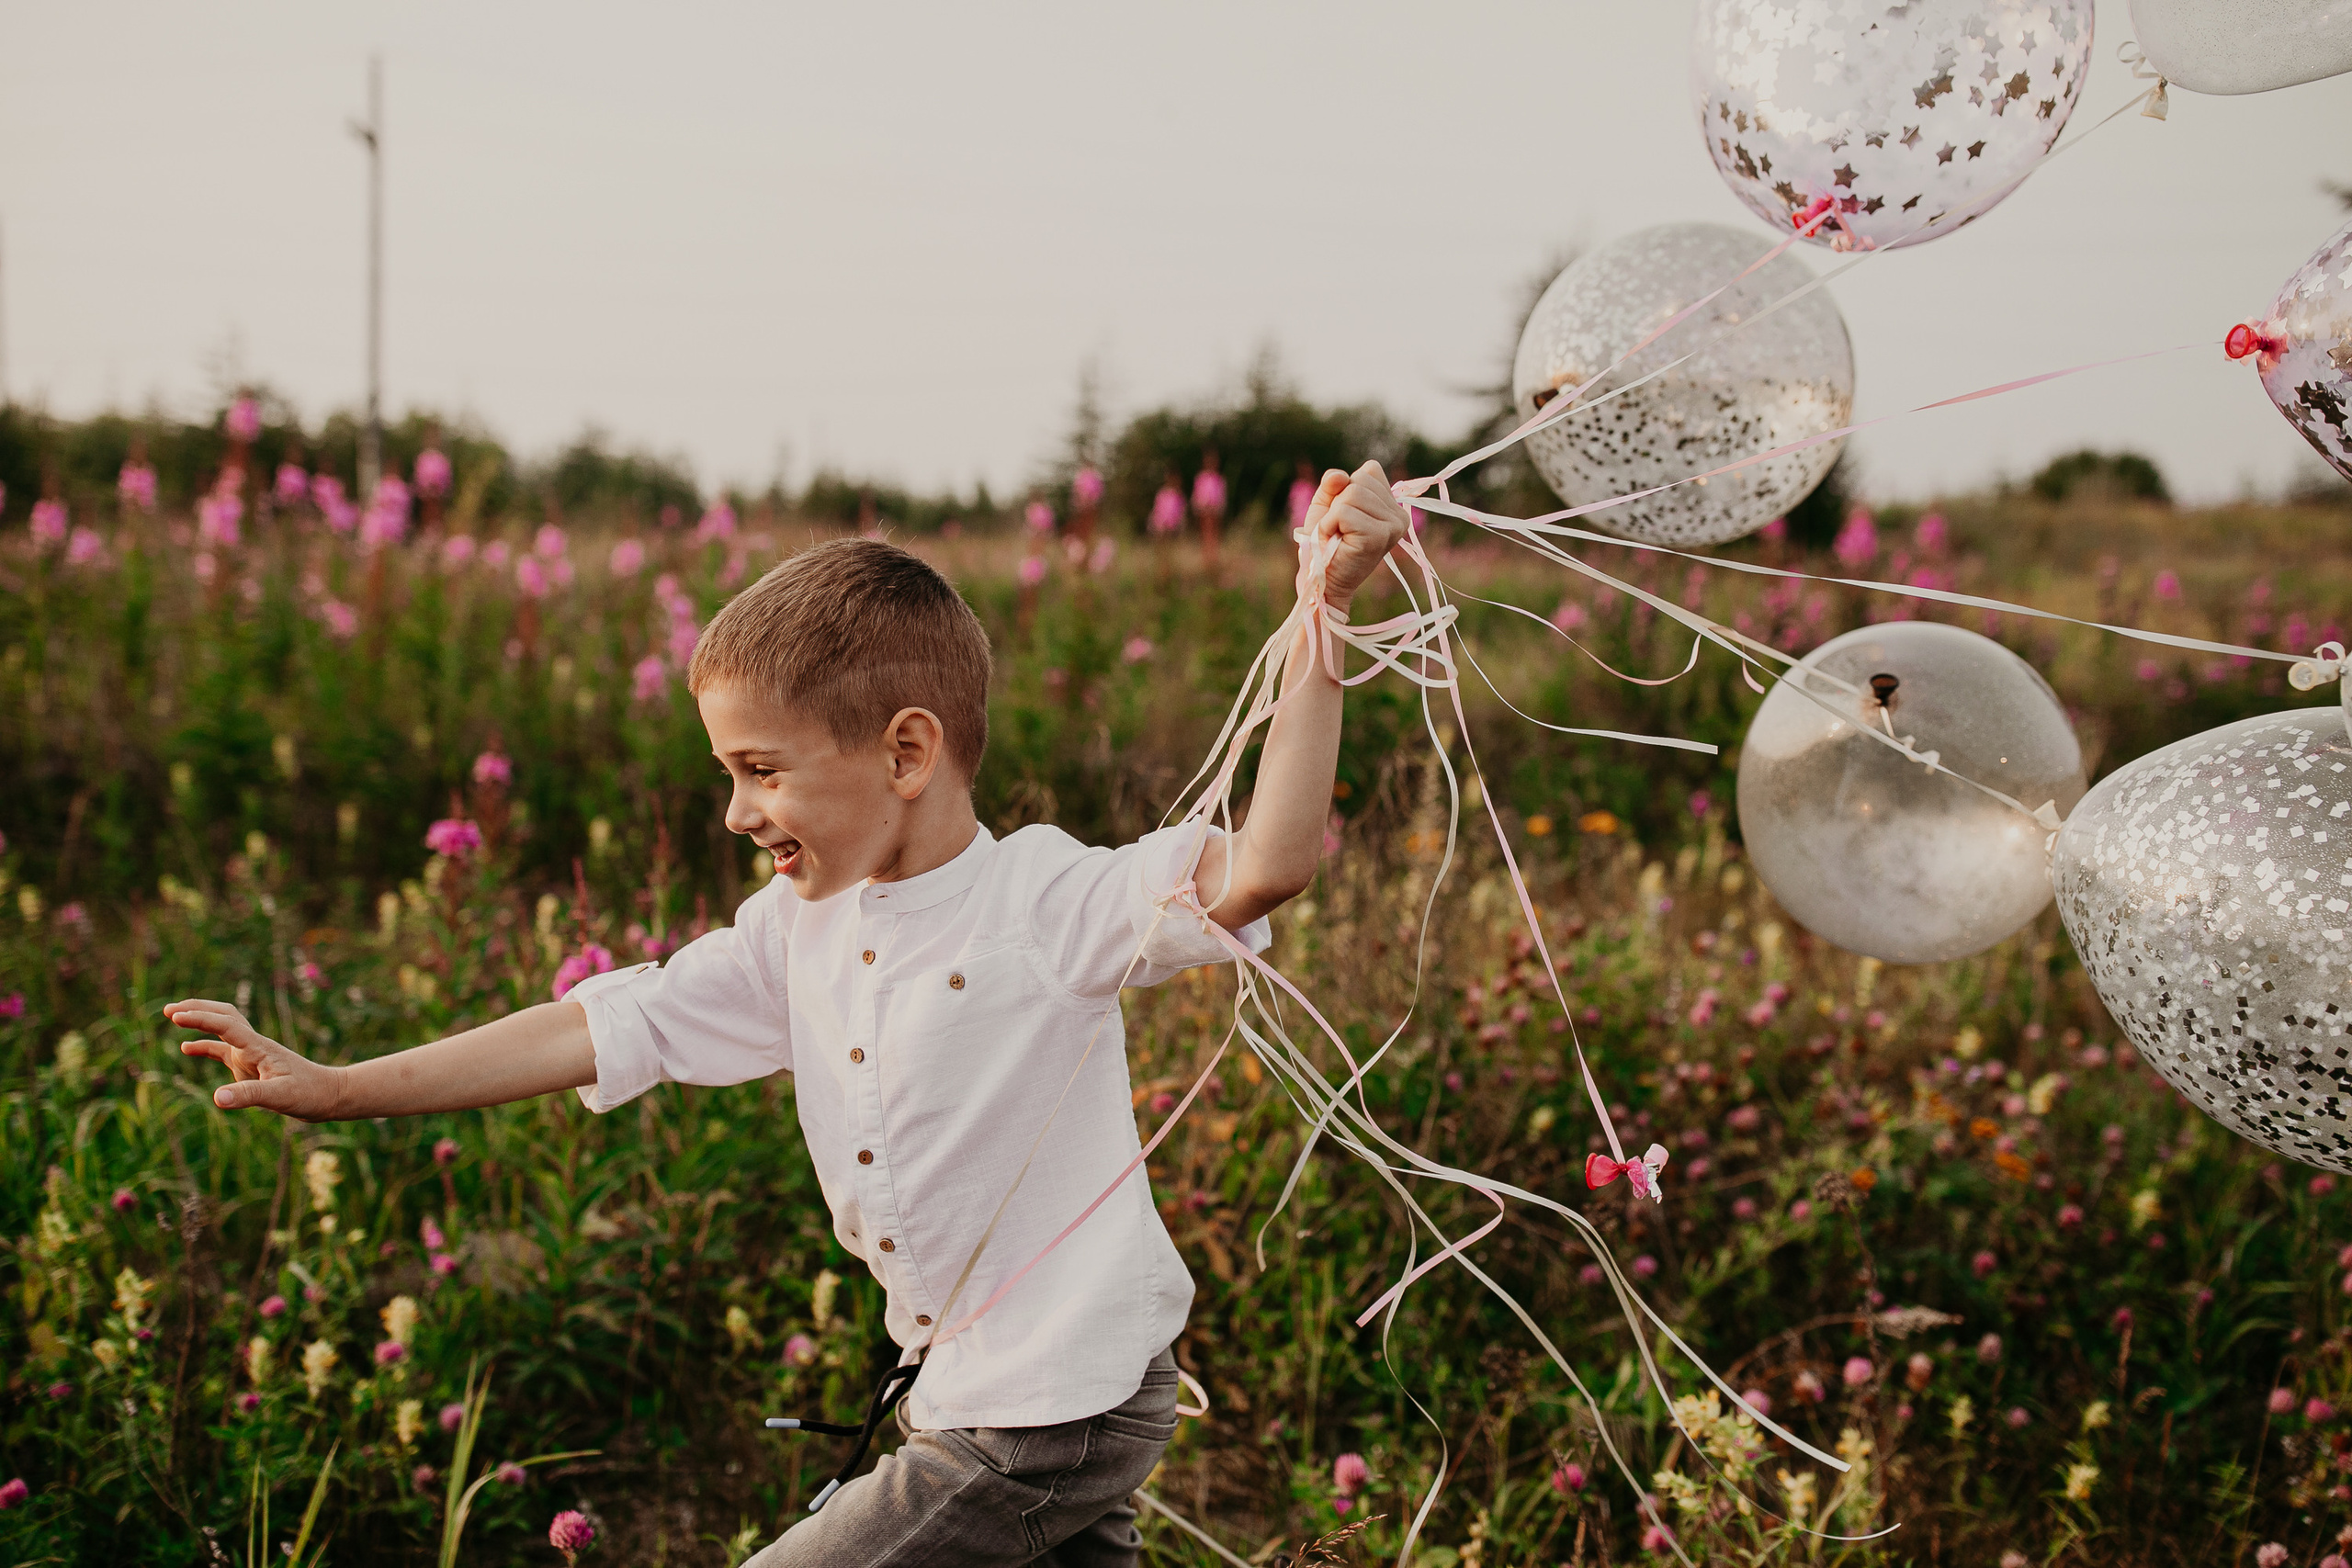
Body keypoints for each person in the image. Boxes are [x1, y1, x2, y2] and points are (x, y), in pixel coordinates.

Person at [166, 463, 1414, 1568]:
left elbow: (1268, 862)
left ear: (906, 752)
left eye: (762, 771)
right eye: (727, 775)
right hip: (972, 1386)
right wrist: (338, 1080)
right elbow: (602, 1026)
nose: (736, 812)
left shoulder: (1041, 897)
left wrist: (1324, 612)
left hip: (1054, 1402)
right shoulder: (798, 932)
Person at [1190, 450, 1227, 577]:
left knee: (1214, 536)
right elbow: (1197, 496)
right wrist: (1200, 509)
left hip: (1214, 512)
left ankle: (1213, 562)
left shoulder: (1219, 479)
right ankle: (1206, 563)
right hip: (1204, 512)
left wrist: (1218, 510)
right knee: (1206, 536)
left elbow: (1221, 497)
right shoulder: (1201, 478)